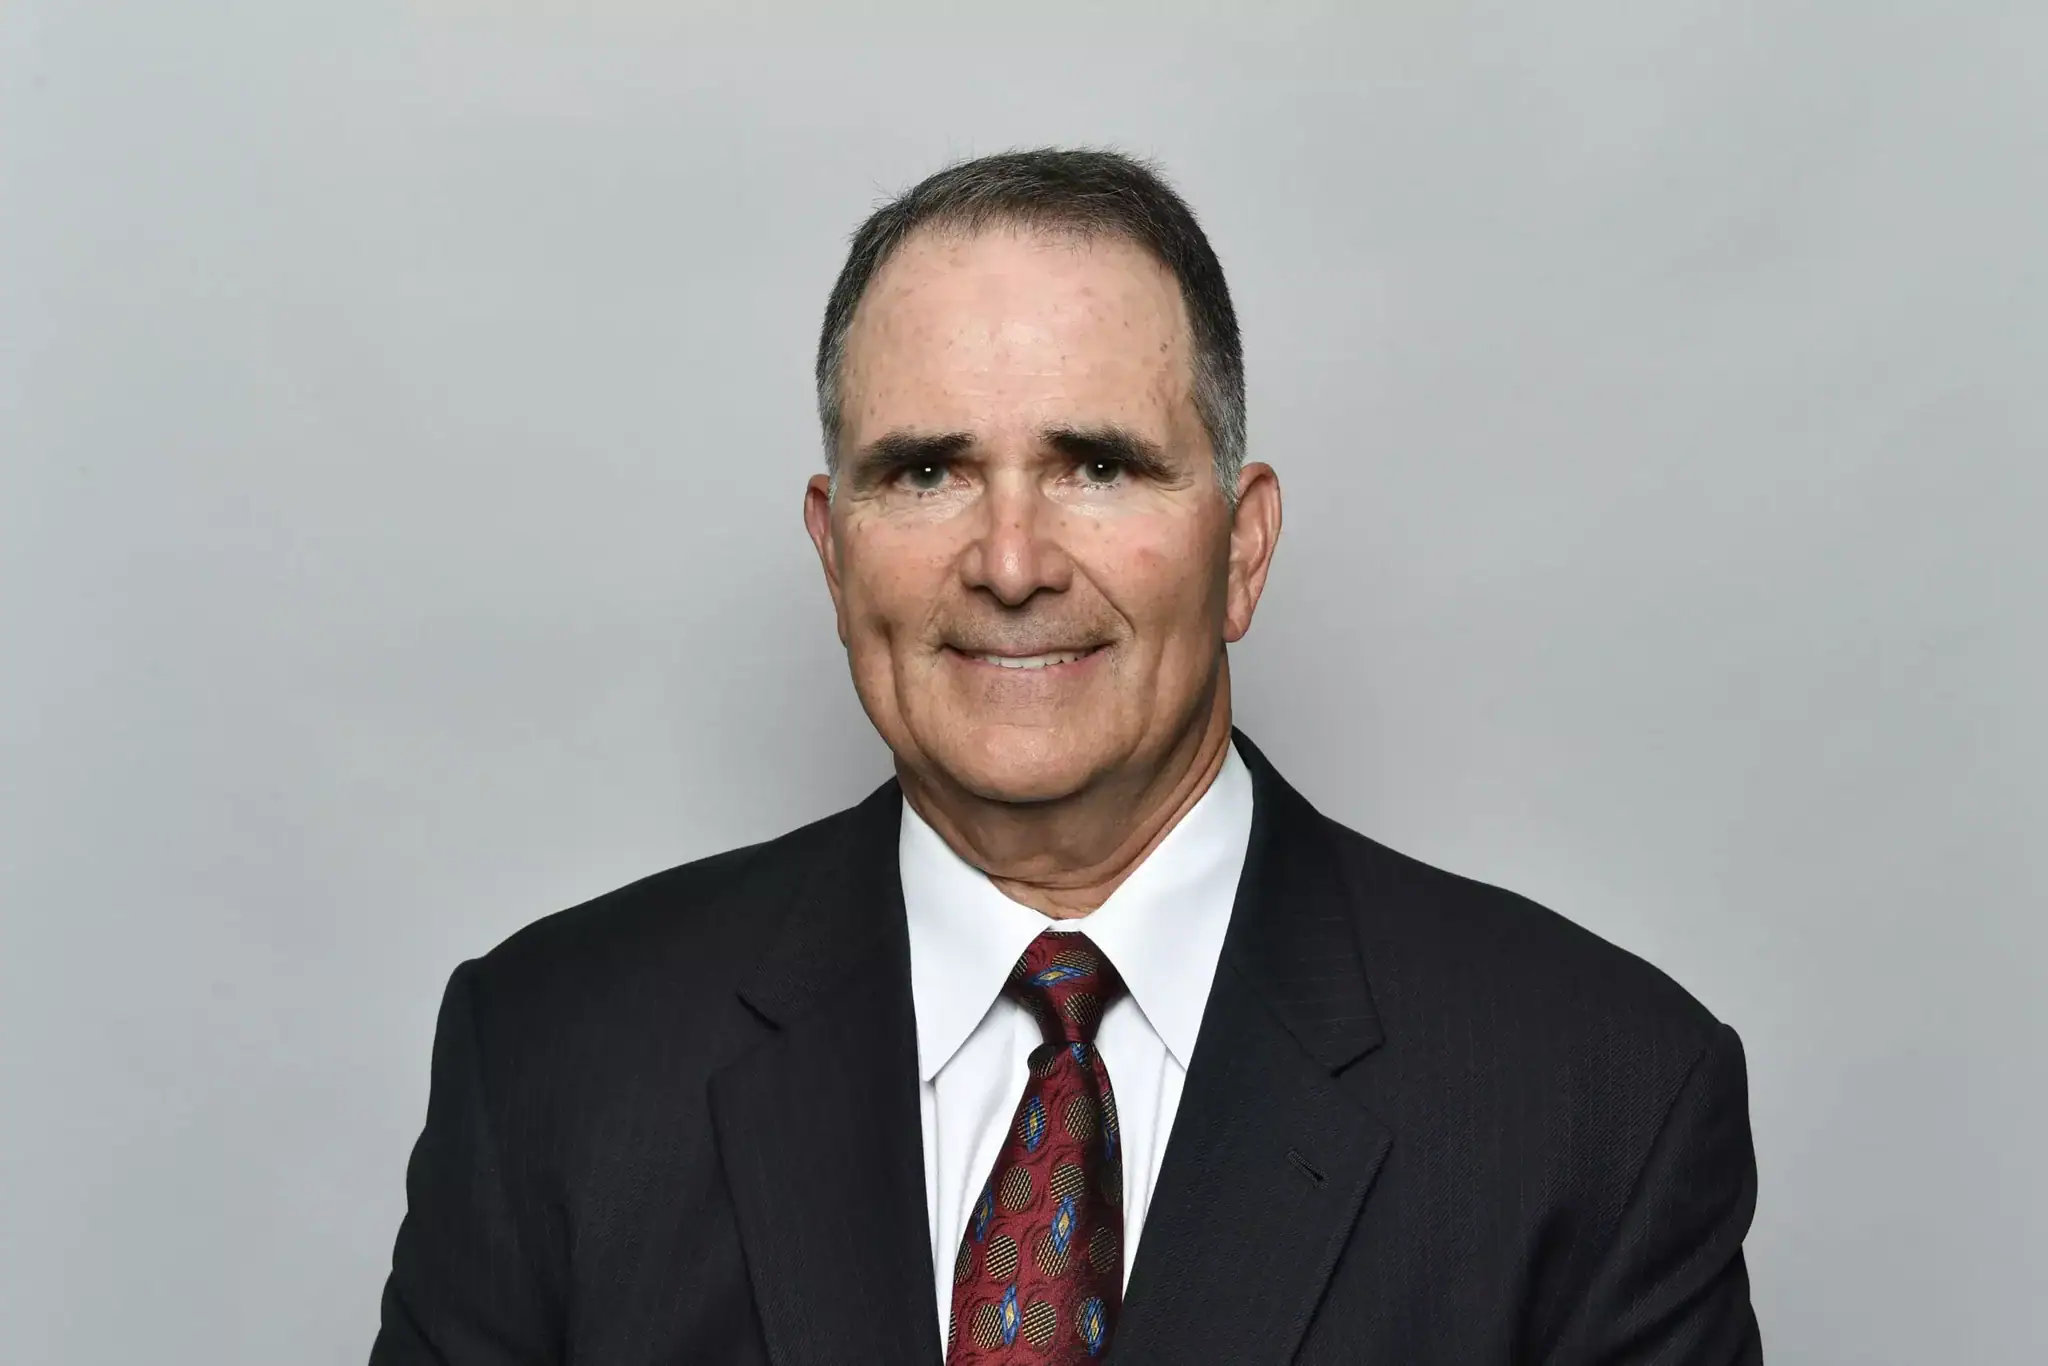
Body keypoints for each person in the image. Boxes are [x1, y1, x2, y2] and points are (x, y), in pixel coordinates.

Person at [369, 148, 1763, 1365]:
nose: (1014, 561)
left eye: (1097, 464)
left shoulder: (1595, 1100)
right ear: (834, 546)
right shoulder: (555, 1066)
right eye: (927, 471)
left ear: (1243, 547)